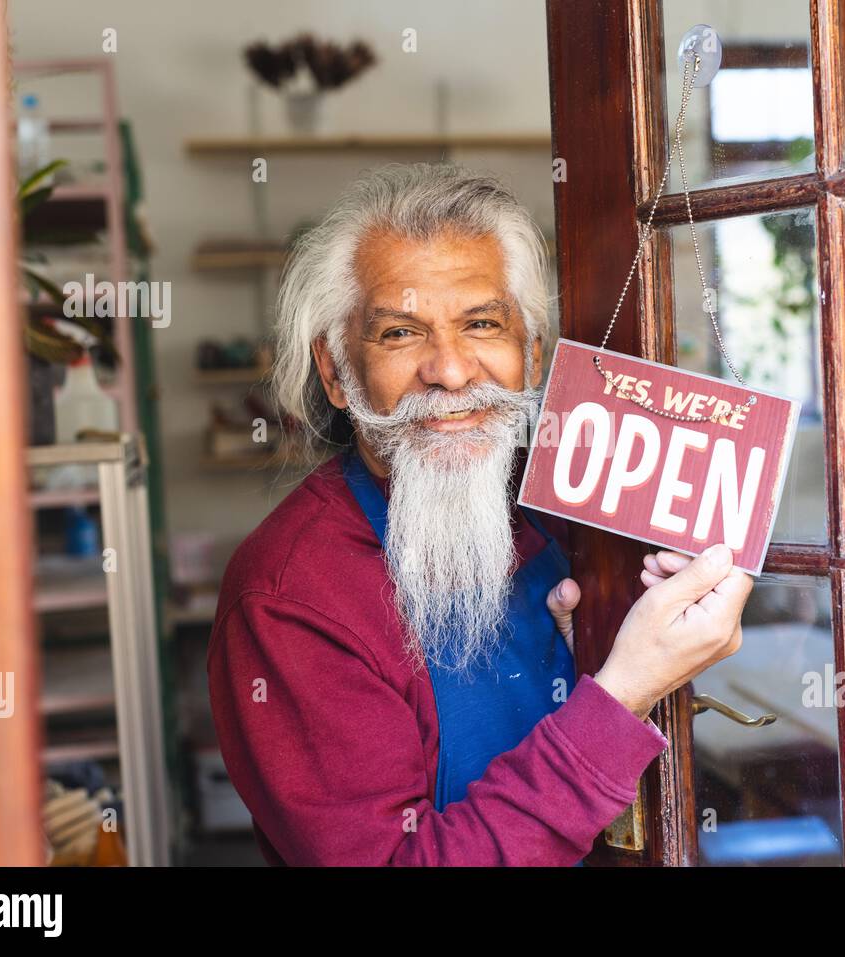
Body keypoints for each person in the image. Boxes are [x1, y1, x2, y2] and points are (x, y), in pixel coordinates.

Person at [207, 162, 752, 865]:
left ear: (530, 353)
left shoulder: (569, 509)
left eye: (482, 323)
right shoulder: (288, 597)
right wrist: (621, 693)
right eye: (401, 334)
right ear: (337, 372)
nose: (453, 370)